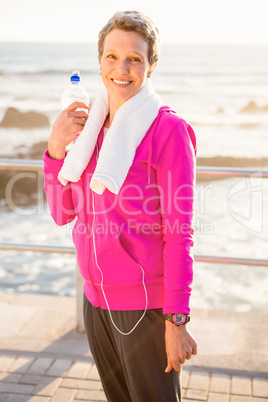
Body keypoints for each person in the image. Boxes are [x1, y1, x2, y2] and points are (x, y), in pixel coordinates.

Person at [43, 10, 197, 402]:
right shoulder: (87, 128)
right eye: (112, 56)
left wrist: (176, 320)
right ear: (99, 62)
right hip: (95, 303)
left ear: (151, 66)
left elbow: (180, 232)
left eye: (135, 58)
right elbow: (62, 213)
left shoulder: (169, 130)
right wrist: (55, 151)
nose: (121, 68)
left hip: (145, 309)